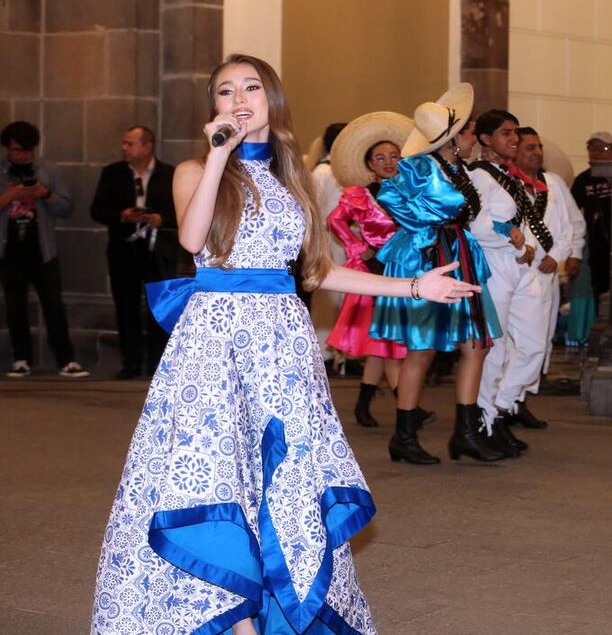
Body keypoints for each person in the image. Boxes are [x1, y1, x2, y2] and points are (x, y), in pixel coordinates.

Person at [91, 54, 478, 635]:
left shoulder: (290, 178)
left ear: (272, 100)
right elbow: (195, 241)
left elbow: (317, 271)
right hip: (215, 342)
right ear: (214, 108)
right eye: (225, 92)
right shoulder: (196, 170)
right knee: (215, 474)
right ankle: (230, 619)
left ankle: (274, 605)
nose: (238, 99)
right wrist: (221, 152)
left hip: (282, 345)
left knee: (280, 475)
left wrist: (413, 284)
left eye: (251, 87)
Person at [369, 83, 506, 464]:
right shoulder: (418, 166)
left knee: (477, 343)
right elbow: (388, 197)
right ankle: (404, 436)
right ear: (453, 137)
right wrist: (430, 223)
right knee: (422, 349)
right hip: (429, 258)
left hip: (460, 254)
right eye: (467, 130)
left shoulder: (457, 168)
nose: (472, 136)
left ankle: (465, 432)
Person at [325, 111, 412, 427]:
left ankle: (364, 404)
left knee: (383, 341)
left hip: (404, 270)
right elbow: (334, 220)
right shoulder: (362, 195)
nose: (389, 162)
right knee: (390, 342)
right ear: (370, 164)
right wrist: (357, 246)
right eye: (381, 157)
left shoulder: (408, 192)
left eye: (394, 156)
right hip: (376, 271)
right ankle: (408, 406)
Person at [467, 109, 546, 456]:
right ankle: (486, 420)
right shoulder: (479, 177)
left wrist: (523, 242)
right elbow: (475, 225)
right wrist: (508, 235)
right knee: (496, 348)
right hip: (494, 265)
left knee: (532, 345)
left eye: (514, 133)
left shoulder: (509, 175)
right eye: (505, 133)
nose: (513, 139)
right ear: (485, 139)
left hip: (518, 263)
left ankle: (500, 407)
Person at [0, 121, 88, 378]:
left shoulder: (48, 169)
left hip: (43, 250)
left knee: (54, 306)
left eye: (27, 151)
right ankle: (21, 359)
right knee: (15, 306)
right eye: (16, 150)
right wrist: (13, 193)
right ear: (7, 148)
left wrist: (44, 193)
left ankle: (66, 360)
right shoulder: (2, 172)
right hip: (10, 251)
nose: (22, 156)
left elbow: (66, 206)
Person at [90, 125, 178, 378]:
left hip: (159, 250)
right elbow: (96, 210)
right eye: (124, 143)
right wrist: (122, 215)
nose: (124, 148)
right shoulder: (112, 173)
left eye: (130, 143)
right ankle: (130, 363)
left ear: (147, 147)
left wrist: (162, 219)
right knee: (125, 307)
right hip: (124, 250)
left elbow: (186, 210)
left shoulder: (170, 174)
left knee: (159, 307)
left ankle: (157, 364)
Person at [513, 132, 586, 429]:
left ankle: (520, 400)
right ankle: (504, 403)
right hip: (516, 273)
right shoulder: (507, 185)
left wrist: (563, 254)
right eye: (530, 147)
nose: (537, 152)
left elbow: (572, 223)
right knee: (515, 342)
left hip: (546, 273)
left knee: (540, 339)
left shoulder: (553, 183)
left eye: (539, 147)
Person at [309, 121, 347, 371]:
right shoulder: (322, 173)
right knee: (328, 297)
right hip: (326, 237)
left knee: (343, 298)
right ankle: (323, 351)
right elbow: (315, 209)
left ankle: (340, 350)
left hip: (342, 238)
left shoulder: (341, 170)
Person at [570, 131, 612, 306]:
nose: (595, 153)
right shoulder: (583, 180)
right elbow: (571, 213)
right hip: (597, 245)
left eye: (602, 148)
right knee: (599, 288)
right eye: (591, 148)